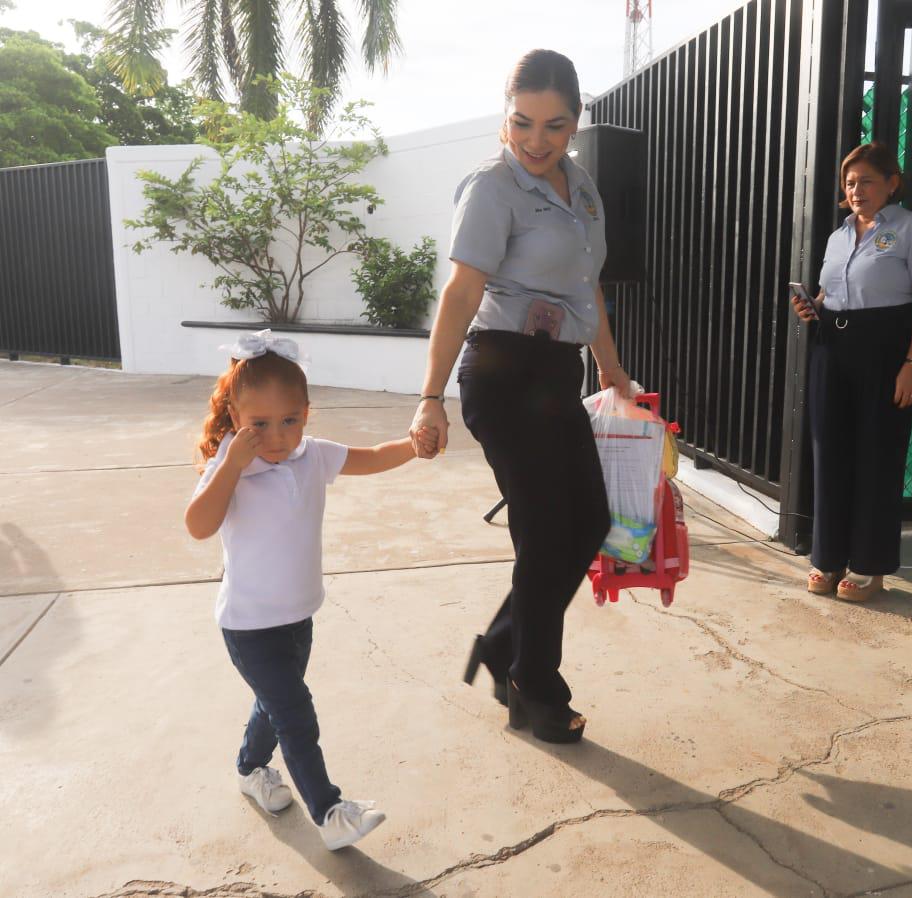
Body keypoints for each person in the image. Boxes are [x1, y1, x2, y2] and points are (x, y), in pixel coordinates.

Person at [409, 49, 630, 744]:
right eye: (522, 122)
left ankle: (504, 647)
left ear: (575, 121)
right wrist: (430, 397)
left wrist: (612, 369)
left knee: (588, 522)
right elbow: (460, 294)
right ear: (504, 118)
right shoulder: (492, 187)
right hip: (503, 373)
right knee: (543, 535)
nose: (536, 140)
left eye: (554, 125)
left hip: (557, 372)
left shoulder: (582, 189)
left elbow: (588, 286)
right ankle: (534, 688)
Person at [185, 330, 433, 849]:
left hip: (298, 619)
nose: (276, 437)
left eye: (290, 420)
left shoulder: (312, 455)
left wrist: (414, 445)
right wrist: (231, 466)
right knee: (295, 713)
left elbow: (371, 457)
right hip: (249, 625)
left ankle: (250, 769)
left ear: (306, 414)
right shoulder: (231, 465)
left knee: (274, 705)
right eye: (259, 424)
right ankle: (330, 813)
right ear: (235, 416)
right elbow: (198, 524)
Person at [791, 141, 912, 602]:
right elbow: (828, 293)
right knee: (829, 451)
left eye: (867, 181)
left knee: (877, 453)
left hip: (884, 348)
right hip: (832, 347)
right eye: (850, 182)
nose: (857, 190)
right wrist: (812, 307)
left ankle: (868, 566)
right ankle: (828, 558)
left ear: (892, 183)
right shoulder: (838, 236)